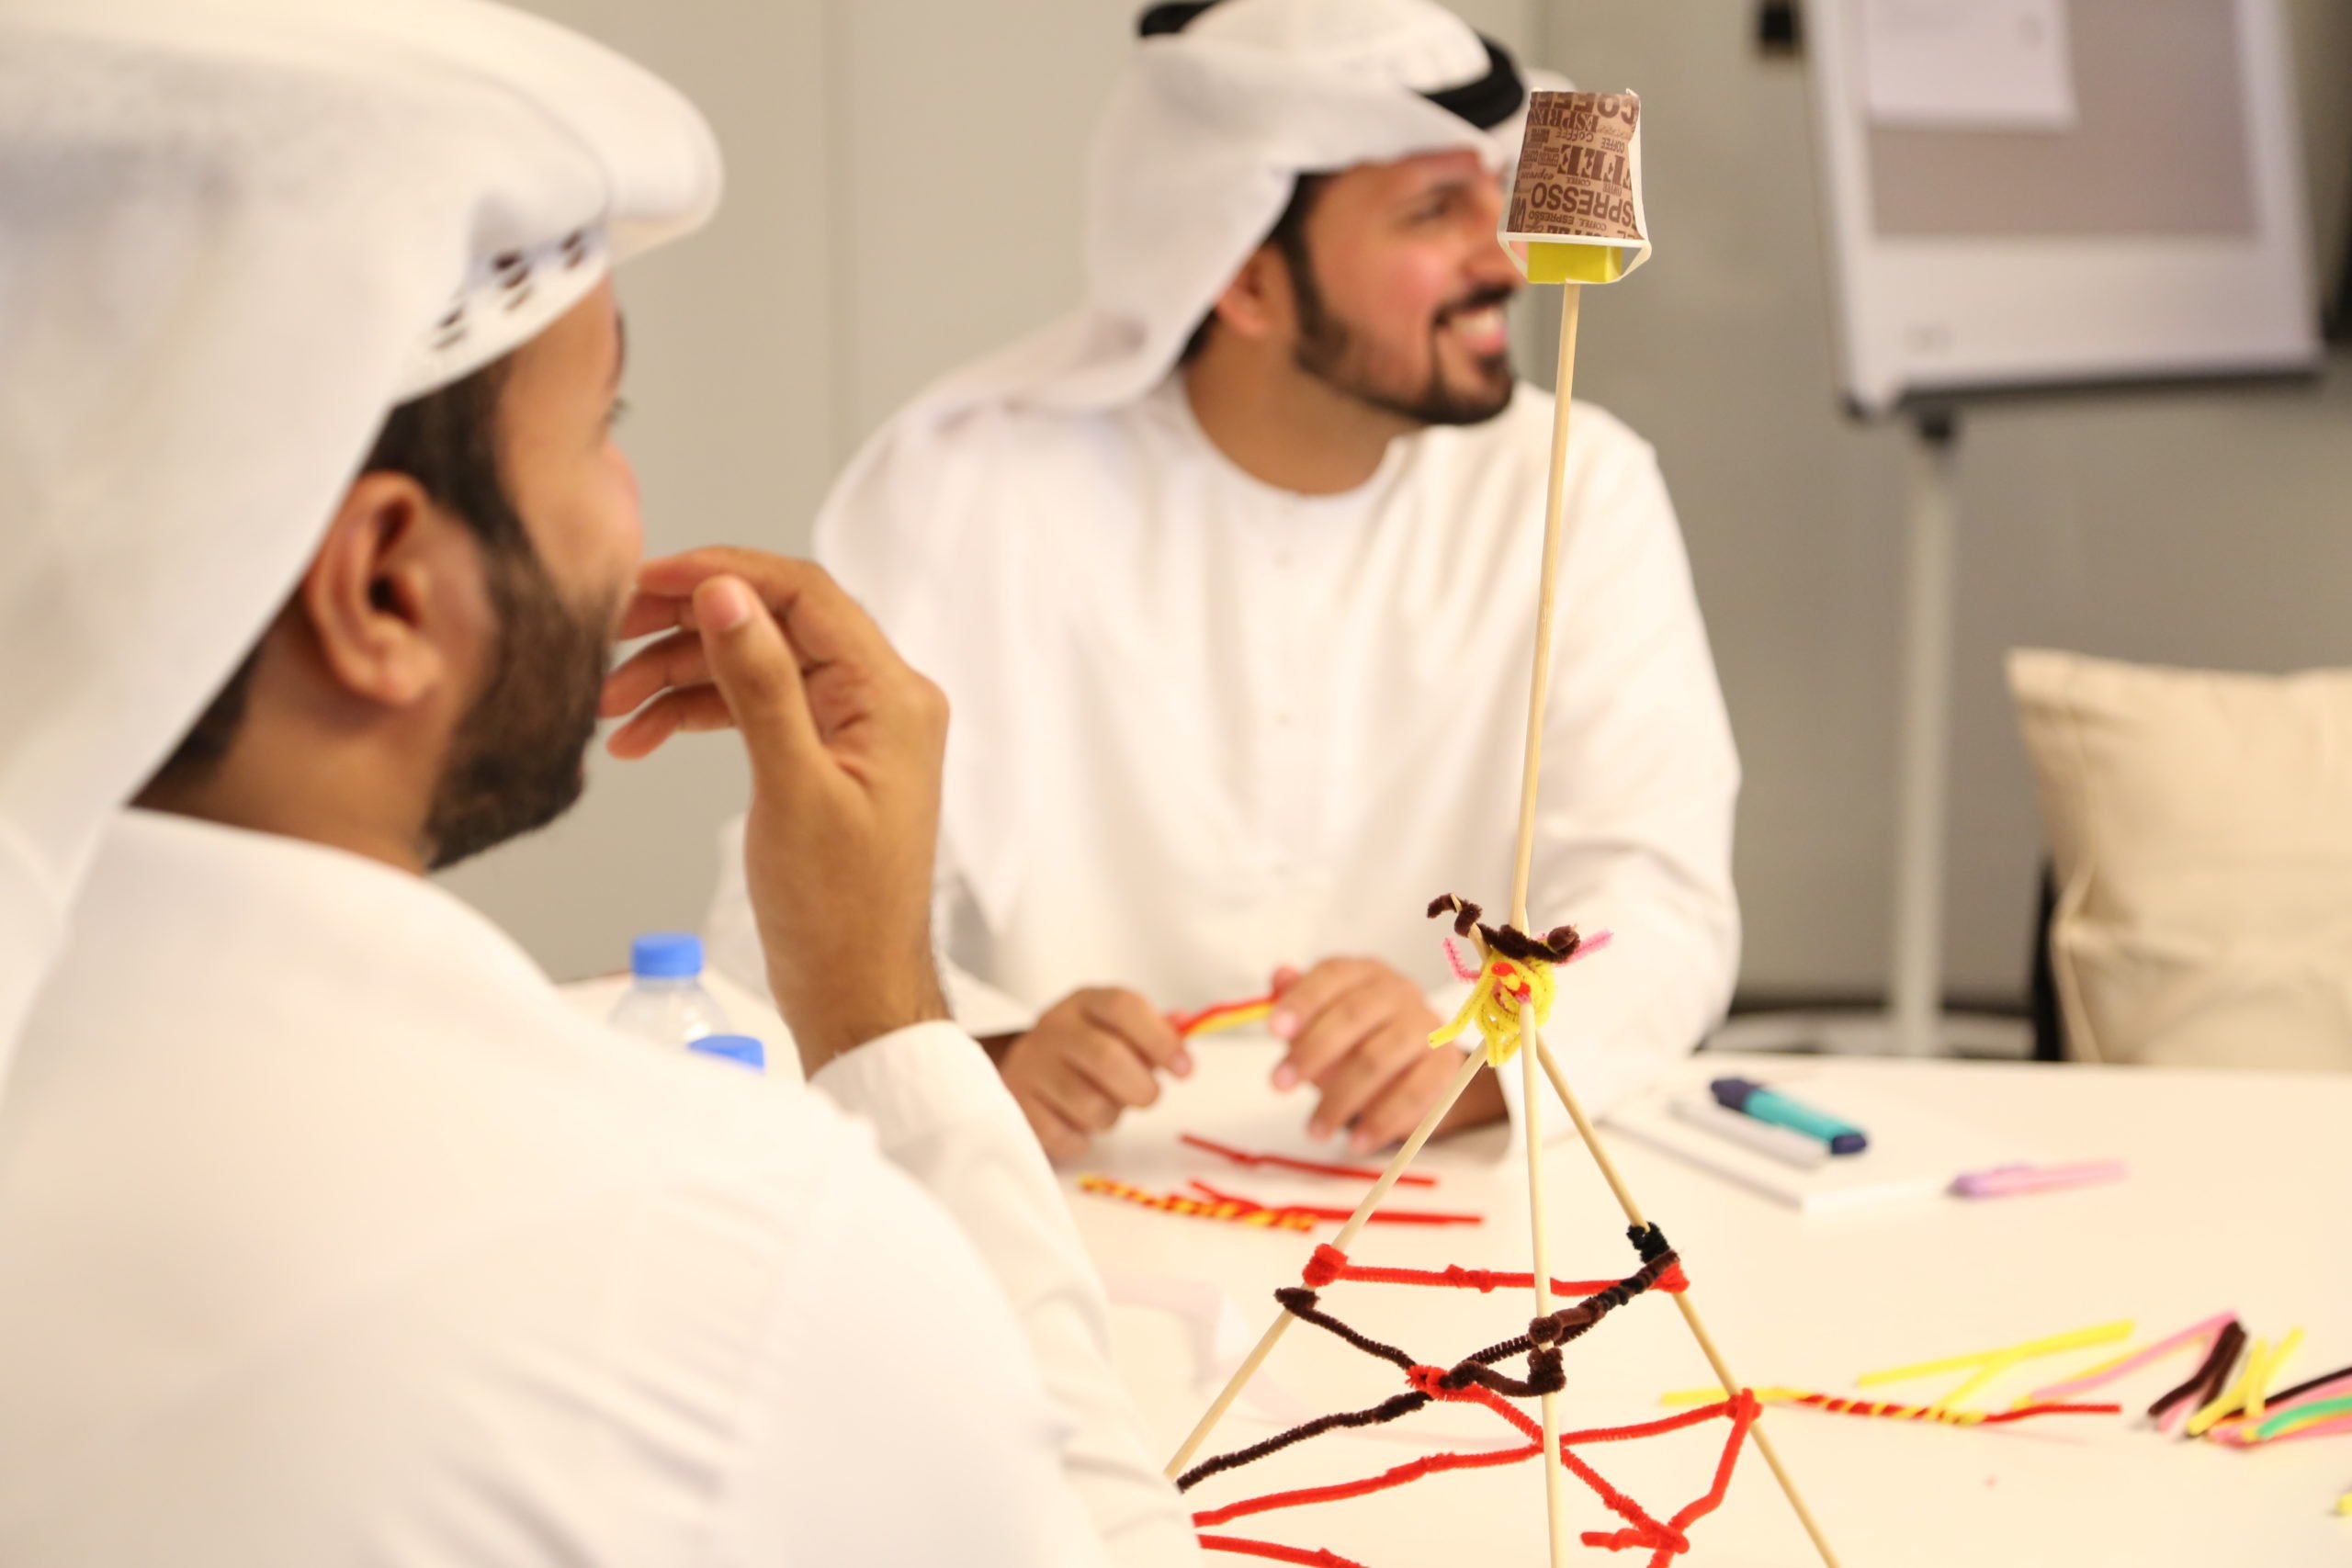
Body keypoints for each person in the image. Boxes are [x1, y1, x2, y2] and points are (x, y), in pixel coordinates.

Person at [0, 3, 1195, 1562]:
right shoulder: (714, 1251)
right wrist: (884, 1019)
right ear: (382, 590)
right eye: (601, 428)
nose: (635, 513)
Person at [705, 0, 1740, 1163]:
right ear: (1243, 282)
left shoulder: (1576, 485)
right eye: (1430, 212)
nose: (1498, 257)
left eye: (1486, 199)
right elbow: (785, 905)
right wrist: (981, 1058)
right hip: (1078, 1195)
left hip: (1457, 1193)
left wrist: (1482, 1043)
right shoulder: (970, 489)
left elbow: (1659, 899)